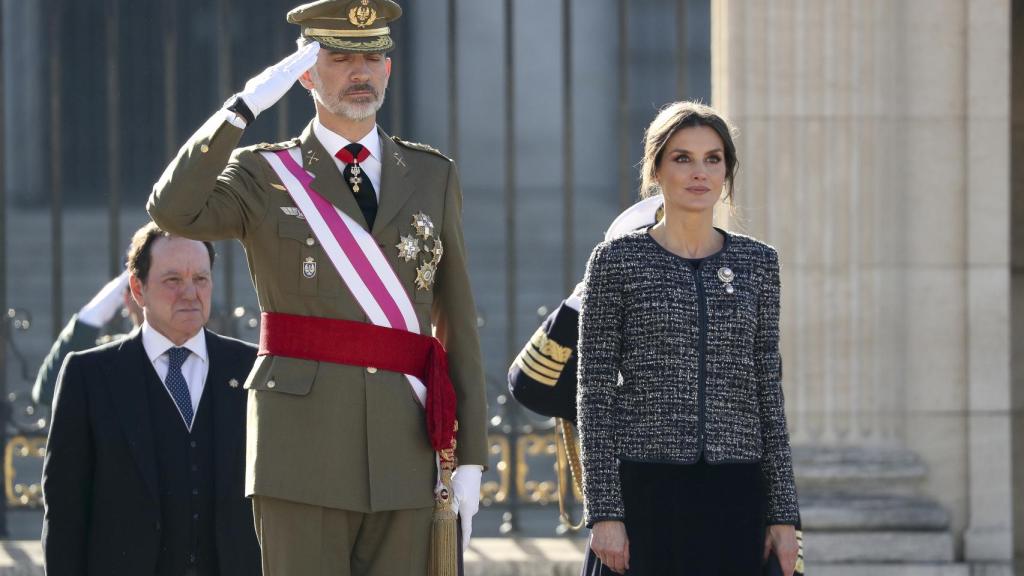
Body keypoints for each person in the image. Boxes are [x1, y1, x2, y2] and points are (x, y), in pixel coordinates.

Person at [146, 1, 488, 574]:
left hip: (406, 443)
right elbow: (174, 210)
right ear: (304, 73)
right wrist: (241, 109)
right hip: (300, 449)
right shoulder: (264, 173)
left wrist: (471, 455)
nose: (360, 70)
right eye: (340, 57)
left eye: (373, 56)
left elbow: (455, 317)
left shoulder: (432, 174)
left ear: (389, 69)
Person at [577, 101, 801, 575]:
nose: (699, 173)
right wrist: (604, 511)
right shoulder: (616, 261)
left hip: (737, 492)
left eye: (712, 159)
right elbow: (593, 394)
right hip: (647, 490)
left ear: (727, 171)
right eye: (682, 158)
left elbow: (767, 390)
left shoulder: (758, 264)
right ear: (656, 169)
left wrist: (783, 515)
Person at [41, 222, 262, 576]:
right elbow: (65, 510)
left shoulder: (252, 367)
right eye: (173, 280)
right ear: (138, 289)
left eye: (200, 279)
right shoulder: (90, 375)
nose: (190, 292)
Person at [32, 270, 143, 407]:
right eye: (141, 285)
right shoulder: (112, 352)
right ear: (128, 296)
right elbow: (50, 391)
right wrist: (91, 317)